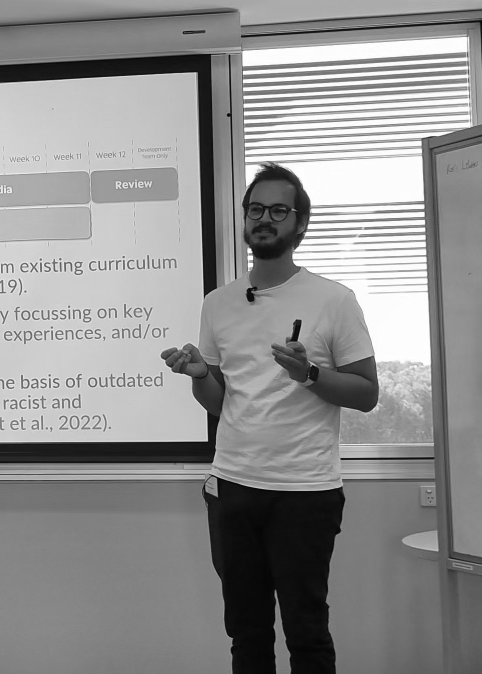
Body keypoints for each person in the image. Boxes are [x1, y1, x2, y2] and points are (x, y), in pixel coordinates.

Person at [161, 162, 378, 674]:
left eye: (278, 211)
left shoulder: (334, 300)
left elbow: (367, 394)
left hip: (305, 493)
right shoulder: (218, 304)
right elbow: (220, 404)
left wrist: (309, 374)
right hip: (233, 487)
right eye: (255, 209)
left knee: (306, 633)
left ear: (300, 224)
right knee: (247, 633)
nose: (264, 219)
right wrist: (198, 374)